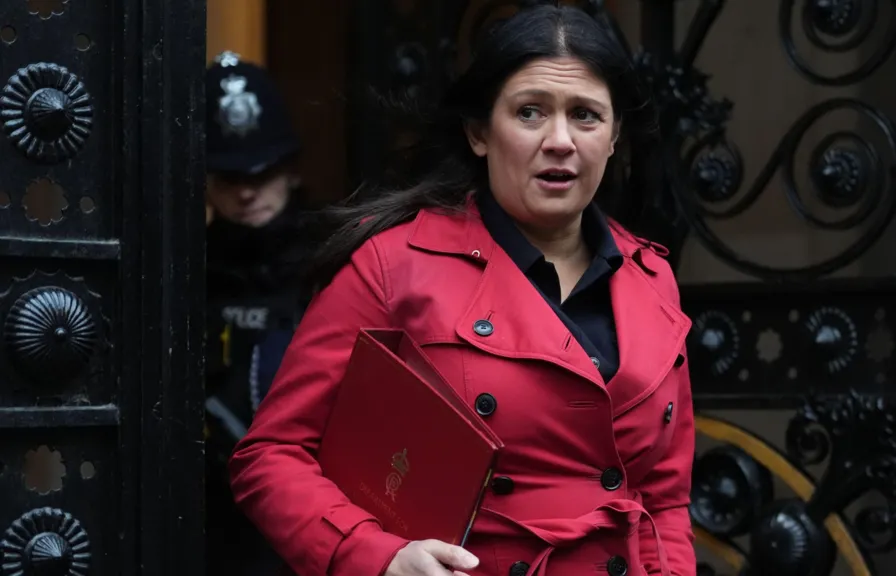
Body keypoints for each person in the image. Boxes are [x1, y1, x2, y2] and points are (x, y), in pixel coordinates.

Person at [228, 5, 697, 576]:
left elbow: (665, 499)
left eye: (586, 116)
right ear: (479, 132)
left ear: (615, 133)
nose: (560, 140)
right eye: (530, 112)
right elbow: (271, 456)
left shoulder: (652, 280)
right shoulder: (394, 265)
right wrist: (378, 558)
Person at [203, 50, 309, 575]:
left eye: (262, 173)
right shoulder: (183, 270)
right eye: (227, 177)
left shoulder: (337, 262)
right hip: (208, 515)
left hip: (310, 507)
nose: (246, 192)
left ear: (289, 171)